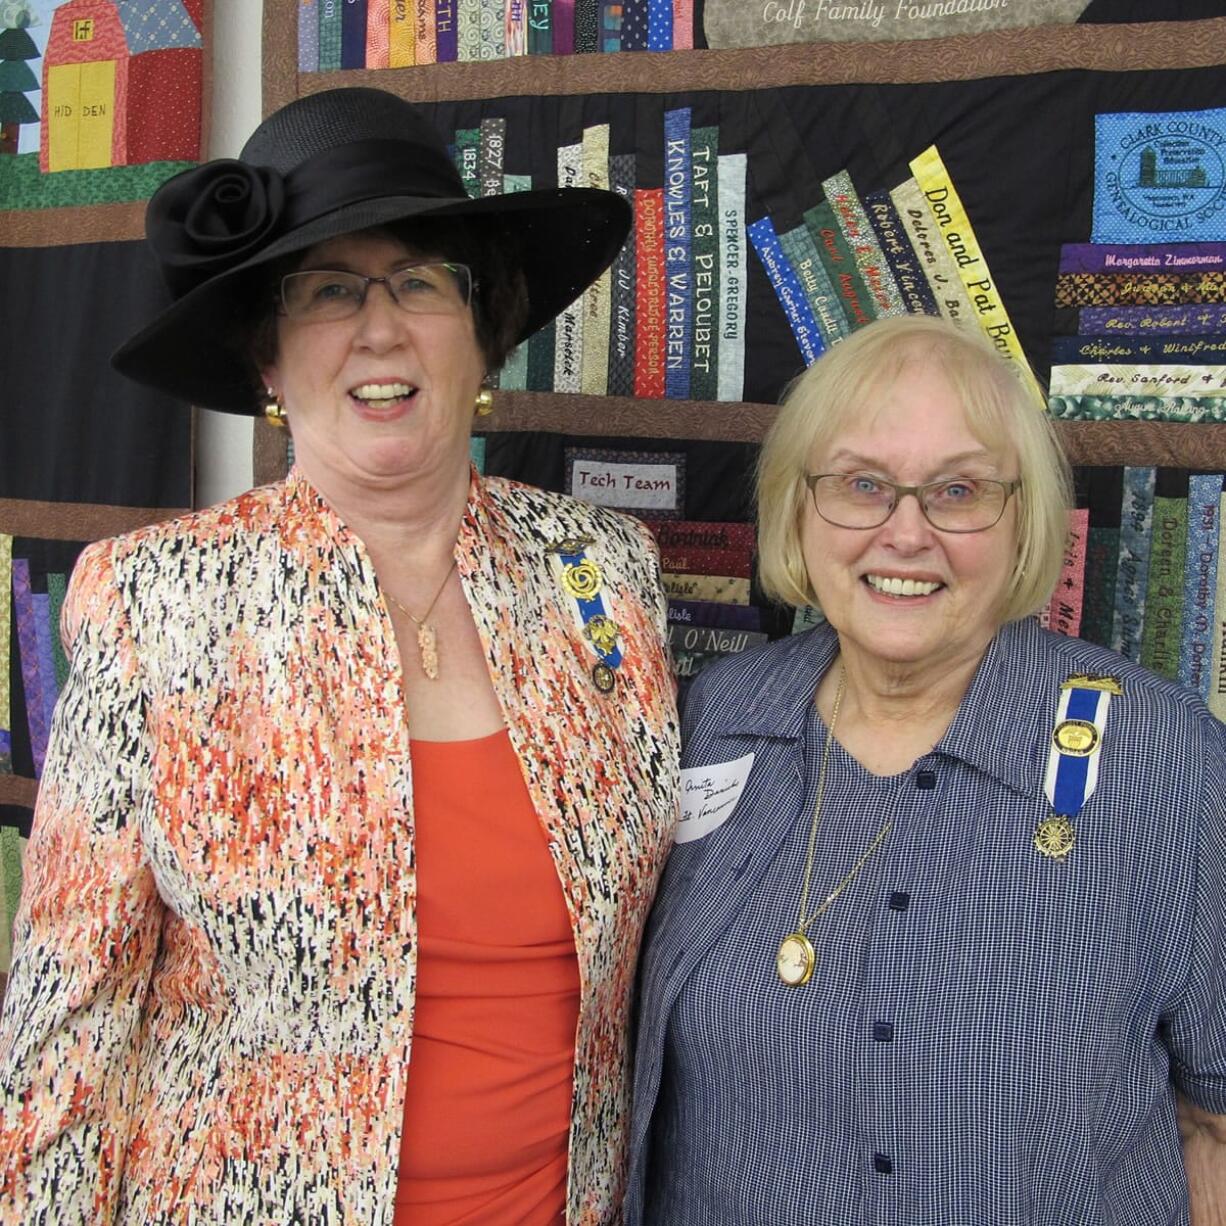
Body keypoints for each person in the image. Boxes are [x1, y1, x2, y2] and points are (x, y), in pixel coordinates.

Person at [0, 87, 679, 1225]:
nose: (380, 326)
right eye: (329, 290)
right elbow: (68, 1018)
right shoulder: (157, 600)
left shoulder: (604, 572)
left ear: (482, 334)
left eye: (420, 280)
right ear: (267, 358)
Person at [625, 314, 1226, 1225]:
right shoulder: (712, 724)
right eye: (863, 484)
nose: (905, 534)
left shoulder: (1160, 757)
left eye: (959, 490)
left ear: (1024, 522)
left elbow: (1215, 1123)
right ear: (797, 507)